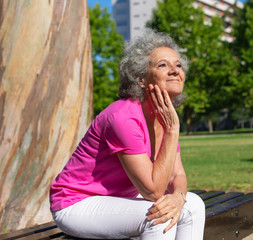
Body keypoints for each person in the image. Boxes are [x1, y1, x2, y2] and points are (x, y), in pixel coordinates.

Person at [49, 29, 205, 239]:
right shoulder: (123, 116)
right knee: (158, 216)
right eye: (162, 65)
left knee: (193, 205)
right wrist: (172, 130)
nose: (175, 70)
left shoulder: (164, 117)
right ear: (141, 79)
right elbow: (153, 191)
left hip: (118, 198)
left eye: (178, 65)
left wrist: (178, 197)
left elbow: (177, 175)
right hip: (76, 202)